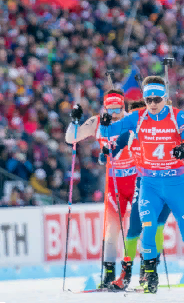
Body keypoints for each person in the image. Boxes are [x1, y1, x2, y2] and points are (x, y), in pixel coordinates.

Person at [98, 76, 184, 293]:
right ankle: (150, 277)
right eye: (148, 99)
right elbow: (108, 133)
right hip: (149, 185)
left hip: (175, 185)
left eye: (156, 99)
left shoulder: (176, 116)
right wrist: (105, 123)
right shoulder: (138, 116)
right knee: (148, 229)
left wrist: (183, 146)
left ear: (164, 97)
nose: (153, 103)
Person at [66, 88, 137, 289]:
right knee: (112, 230)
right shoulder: (97, 122)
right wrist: (75, 120)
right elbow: (71, 138)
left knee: (138, 228)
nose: (115, 114)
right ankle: (108, 275)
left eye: (119, 109)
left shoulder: (131, 120)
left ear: (124, 107)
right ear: (105, 107)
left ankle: (147, 272)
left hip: (136, 179)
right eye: (111, 109)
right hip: (114, 182)